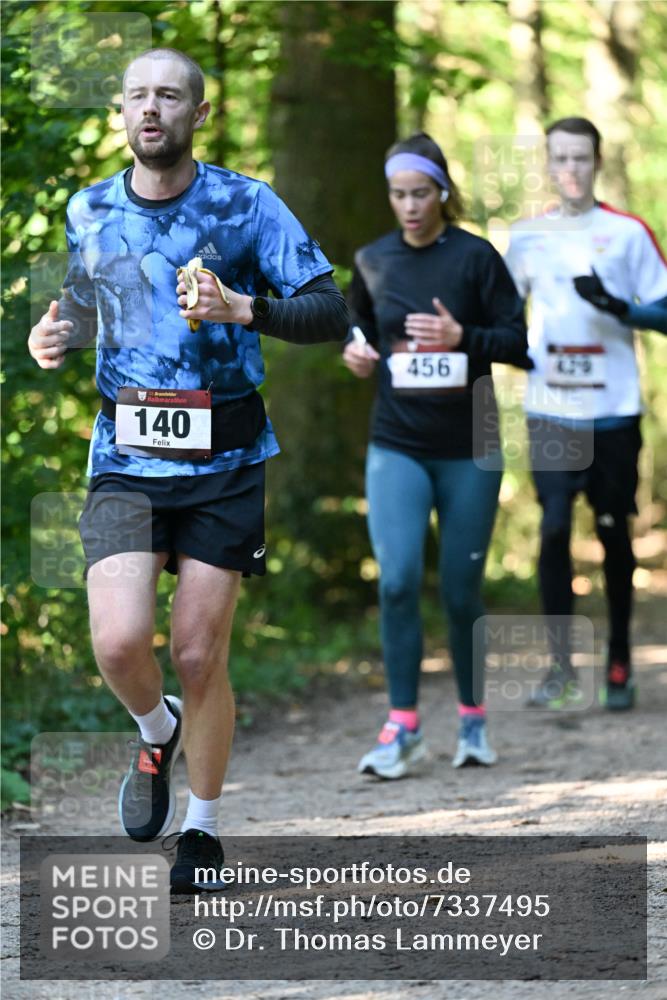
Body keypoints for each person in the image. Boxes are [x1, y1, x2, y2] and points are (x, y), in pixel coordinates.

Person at [27, 48, 347, 891]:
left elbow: (329, 308)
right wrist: (56, 334)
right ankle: (153, 725)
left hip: (227, 456)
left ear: (198, 114)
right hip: (127, 457)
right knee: (120, 638)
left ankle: (201, 829)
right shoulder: (89, 206)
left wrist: (246, 307)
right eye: (137, 96)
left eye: (169, 96)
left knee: (200, 653)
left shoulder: (247, 205)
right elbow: (91, 309)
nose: (152, 109)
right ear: (121, 114)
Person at [343, 132, 531, 778]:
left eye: (420, 193)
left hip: (470, 446)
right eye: (398, 194)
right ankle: (402, 727)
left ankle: (472, 719)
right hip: (397, 443)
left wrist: (462, 336)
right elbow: (357, 332)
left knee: (458, 590)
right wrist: (356, 353)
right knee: (395, 582)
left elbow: (518, 342)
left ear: (442, 192)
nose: (409, 206)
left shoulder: (476, 259)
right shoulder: (371, 260)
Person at [505, 116, 667, 711]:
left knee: (611, 531)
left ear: (597, 162)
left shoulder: (627, 233)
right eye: (560, 159)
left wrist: (621, 308)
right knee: (552, 528)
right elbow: (500, 313)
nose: (570, 169)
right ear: (547, 164)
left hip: (615, 411)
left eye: (581, 158)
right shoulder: (525, 236)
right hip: (551, 409)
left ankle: (619, 660)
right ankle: (559, 669)